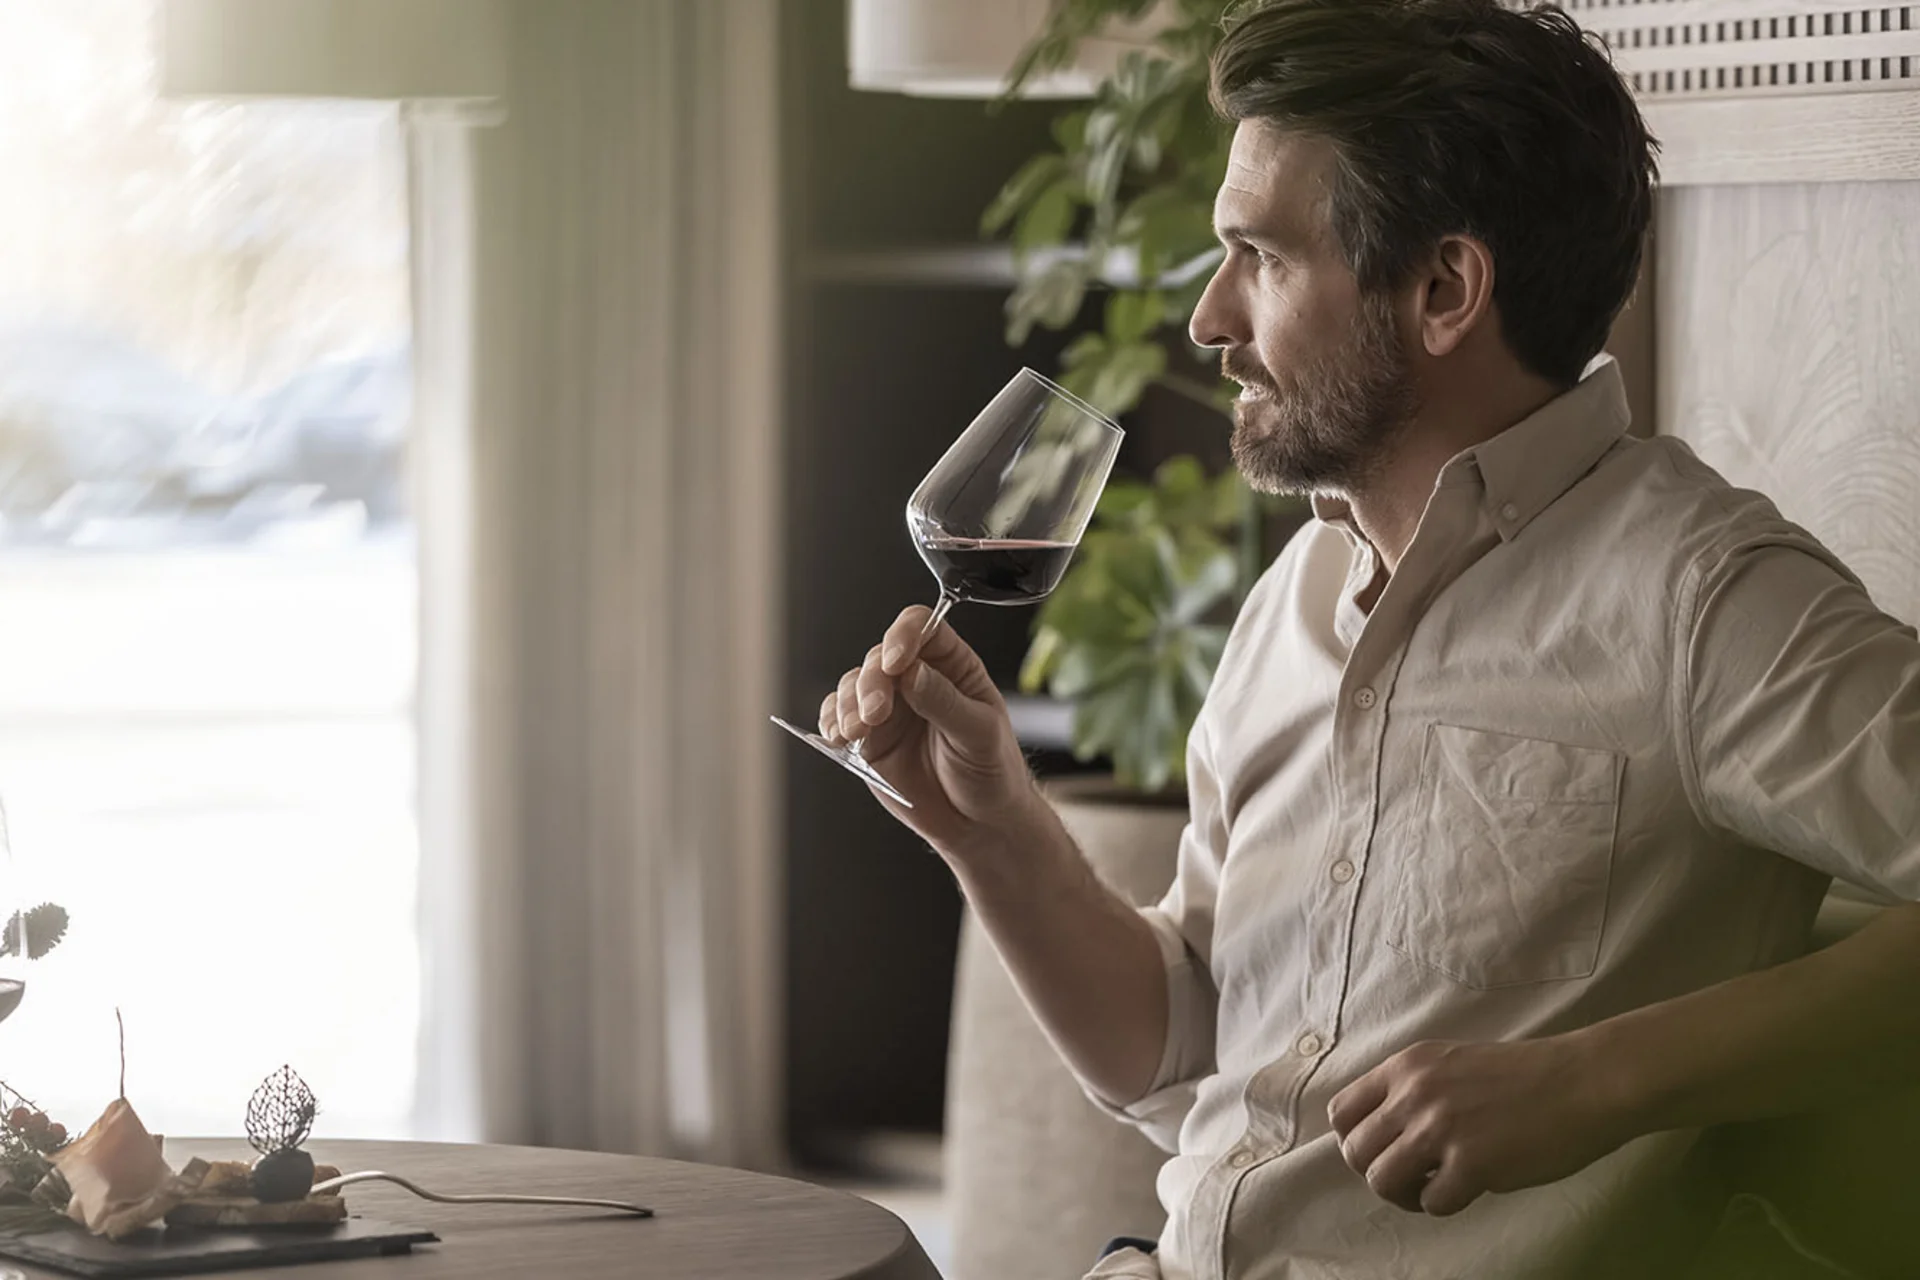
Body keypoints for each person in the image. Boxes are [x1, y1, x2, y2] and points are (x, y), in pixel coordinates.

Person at [814, 2, 1920, 1276]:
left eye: (1260, 258)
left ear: (1445, 289)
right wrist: (986, 824)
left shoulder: (1703, 599)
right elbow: (1175, 1052)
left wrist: (1594, 1080)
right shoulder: (1298, 593)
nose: (1208, 320)